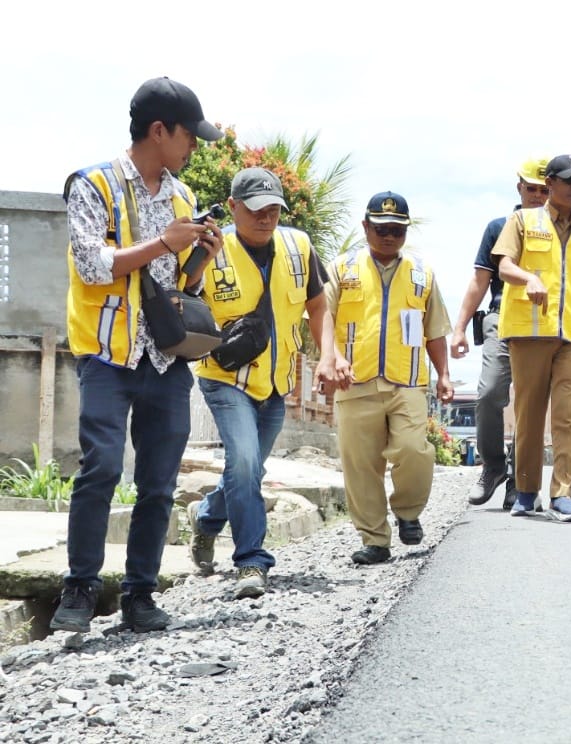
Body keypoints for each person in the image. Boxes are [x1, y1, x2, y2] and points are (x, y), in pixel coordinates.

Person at [50, 77, 224, 634]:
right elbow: (91, 265)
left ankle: (140, 594)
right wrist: (164, 243)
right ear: (158, 131)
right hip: (107, 354)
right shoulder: (92, 184)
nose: (194, 147)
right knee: (100, 468)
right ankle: (78, 588)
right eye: (188, 136)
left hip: (166, 359)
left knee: (159, 481)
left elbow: (181, 287)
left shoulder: (184, 199)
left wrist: (198, 257)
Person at [188, 168, 352, 597]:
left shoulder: (298, 246)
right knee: (243, 465)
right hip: (226, 379)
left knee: (249, 470)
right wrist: (195, 264)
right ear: (234, 206)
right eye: (257, 209)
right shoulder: (211, 248)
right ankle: (251, 563)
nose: (266, 217)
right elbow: (181, 297)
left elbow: (318, 306)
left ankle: (205, 519)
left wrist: (328, 355)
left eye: (274, 208)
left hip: (276, 384)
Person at [326, 191, 454, 564]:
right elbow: (323, 319)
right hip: (355, 381)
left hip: (407, 381)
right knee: (360, 464)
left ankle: (408, 512)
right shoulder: (341, 269)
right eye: (380, 229)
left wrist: (444, 374)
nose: (388, 237)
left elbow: (435, 330)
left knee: (414, 450)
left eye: (397, 231)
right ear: (365, 227)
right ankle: (375, 540)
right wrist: (331, 360)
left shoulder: (421, 274)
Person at [492, 154, 571, 523]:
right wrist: (529, 278)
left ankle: (562, 494)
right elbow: (504, 266)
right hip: (530, 331)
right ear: (550, 182)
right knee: (529, 414)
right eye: (569, 180)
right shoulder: (522, 220)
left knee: (568, 415)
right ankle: (525, 491)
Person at [449, 157, 549, 510]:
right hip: (501, 318)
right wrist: (459, 328)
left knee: (530, 404)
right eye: (531, 188)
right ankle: (492, 467)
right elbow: (479, 281)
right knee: (490, 392)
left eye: (544, 190)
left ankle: (520, 479)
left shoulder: (561, 232)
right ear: (519, 187)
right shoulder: (498, 227)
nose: (538, 196)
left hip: (543, 325)